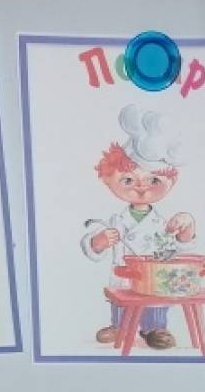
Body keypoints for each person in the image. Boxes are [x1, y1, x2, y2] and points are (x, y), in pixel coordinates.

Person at [82, 105, 195, 350]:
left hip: (154, 280)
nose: (141, 188)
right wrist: (98, 241)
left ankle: (155, 329)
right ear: (109, 181)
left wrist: (186, 227)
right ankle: (119, 326)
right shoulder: (116, 221)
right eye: (128, 180)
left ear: (170, 182)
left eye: (153, 180)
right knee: (122, 299)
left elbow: (180, 247)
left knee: (154, 301)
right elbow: (91, 247)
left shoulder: (164, 223)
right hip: (124, 280)